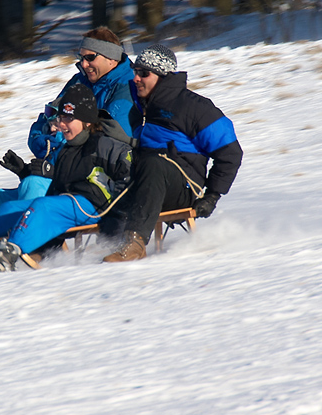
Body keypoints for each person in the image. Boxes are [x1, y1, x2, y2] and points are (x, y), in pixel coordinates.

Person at [0, 26, 136, 253]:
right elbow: (45, 121)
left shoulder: (125, 90)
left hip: (92, 182)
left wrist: (52, 153)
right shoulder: (78, 82)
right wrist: (46, 144)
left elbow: (108, 140)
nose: (84, 64)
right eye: (81, 59)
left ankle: (27, 250)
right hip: (62, 171)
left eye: (90, 58)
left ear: (111, 58)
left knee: (32, 185)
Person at [0, 83, 132, 281]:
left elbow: (129, 176)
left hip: (93, 207)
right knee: (8, 208)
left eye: (68, 118)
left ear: (86, 120)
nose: (60, 124)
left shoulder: (105, 144)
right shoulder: (65, 150)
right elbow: (55, 186)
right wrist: (26, 172)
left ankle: (6, 257)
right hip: (64, 204)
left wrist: (117, 217)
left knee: (41, 205)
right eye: (60, 117)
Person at [102, 44, 243, 262]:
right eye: (135, 72)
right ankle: (102, 242)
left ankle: (134, 244)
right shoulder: (139, 107)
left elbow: (231, 152)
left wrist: (212, 195)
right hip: (147, 183)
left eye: (144, 73)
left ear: (162, 75)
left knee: (153, 163)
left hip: (182, 186)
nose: (137, 78)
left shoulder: (194, 107)